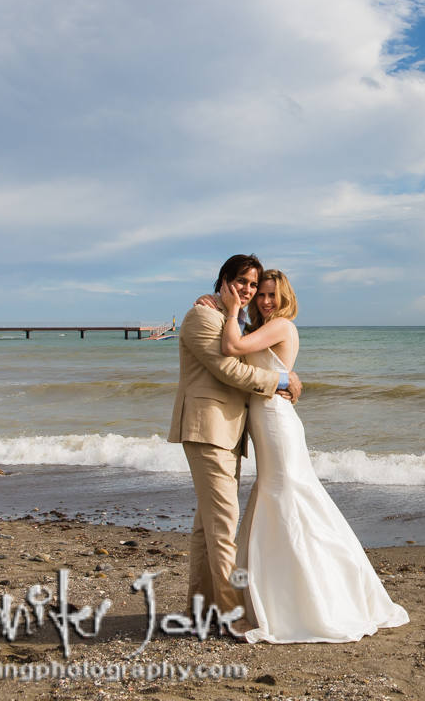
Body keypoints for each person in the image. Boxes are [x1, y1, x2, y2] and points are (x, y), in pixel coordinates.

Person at [212, 268, 408, 643]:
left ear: (285, 297)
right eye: (261, 294)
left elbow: (231, 348)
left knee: (290, 496)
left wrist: (233, 308)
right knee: (281, 496)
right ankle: (277, 595)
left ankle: (311, 600)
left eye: (272, 294)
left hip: (276, 421)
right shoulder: (263, 328)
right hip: (268, 421)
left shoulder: (282, 325)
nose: (265, 300)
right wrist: (225, 309)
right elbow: (263, 363)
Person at [168, 254, 300, 627]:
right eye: (242, 281)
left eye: (253, 284)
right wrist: (281, 381)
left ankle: (202, 610)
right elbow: (227, 368)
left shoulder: (235, 320)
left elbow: (252, 356)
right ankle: (231, 616)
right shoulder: (201, 316)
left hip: (227, 431)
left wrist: (283, 372)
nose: (249, 290)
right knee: (224, 525)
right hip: (208, 428)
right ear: (224, 280)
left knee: (205, 527)